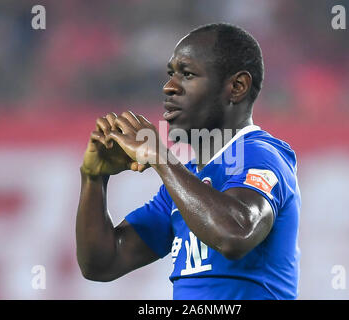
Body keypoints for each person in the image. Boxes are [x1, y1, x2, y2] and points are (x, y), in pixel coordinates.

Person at [76, 23, 301, 300]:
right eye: (171, 74)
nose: (169, 87)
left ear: (237, 87)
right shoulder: (185, 182)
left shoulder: (261, 155)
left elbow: (235, 234)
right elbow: (103, 263)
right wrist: (93, 178)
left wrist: (161, 157)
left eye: (187, 74)